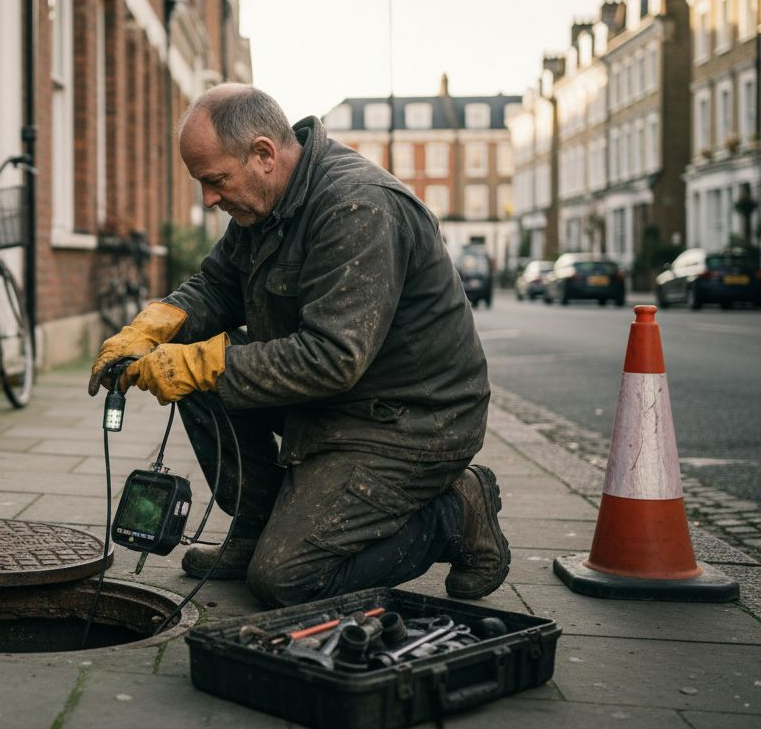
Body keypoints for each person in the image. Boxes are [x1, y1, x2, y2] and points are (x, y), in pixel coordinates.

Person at [87, 83, 509, 607]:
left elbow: (333, 358)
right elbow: (217, 285)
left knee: (285, 581)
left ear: (264, 153)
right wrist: (152, 327)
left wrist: (199, 362)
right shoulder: (265, 204)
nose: (208, 199)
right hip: (335, 401)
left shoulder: (358, 207)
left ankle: (456, 512)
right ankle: (255, 525)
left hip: (407, 422)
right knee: (193, 375)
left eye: (215, 181)